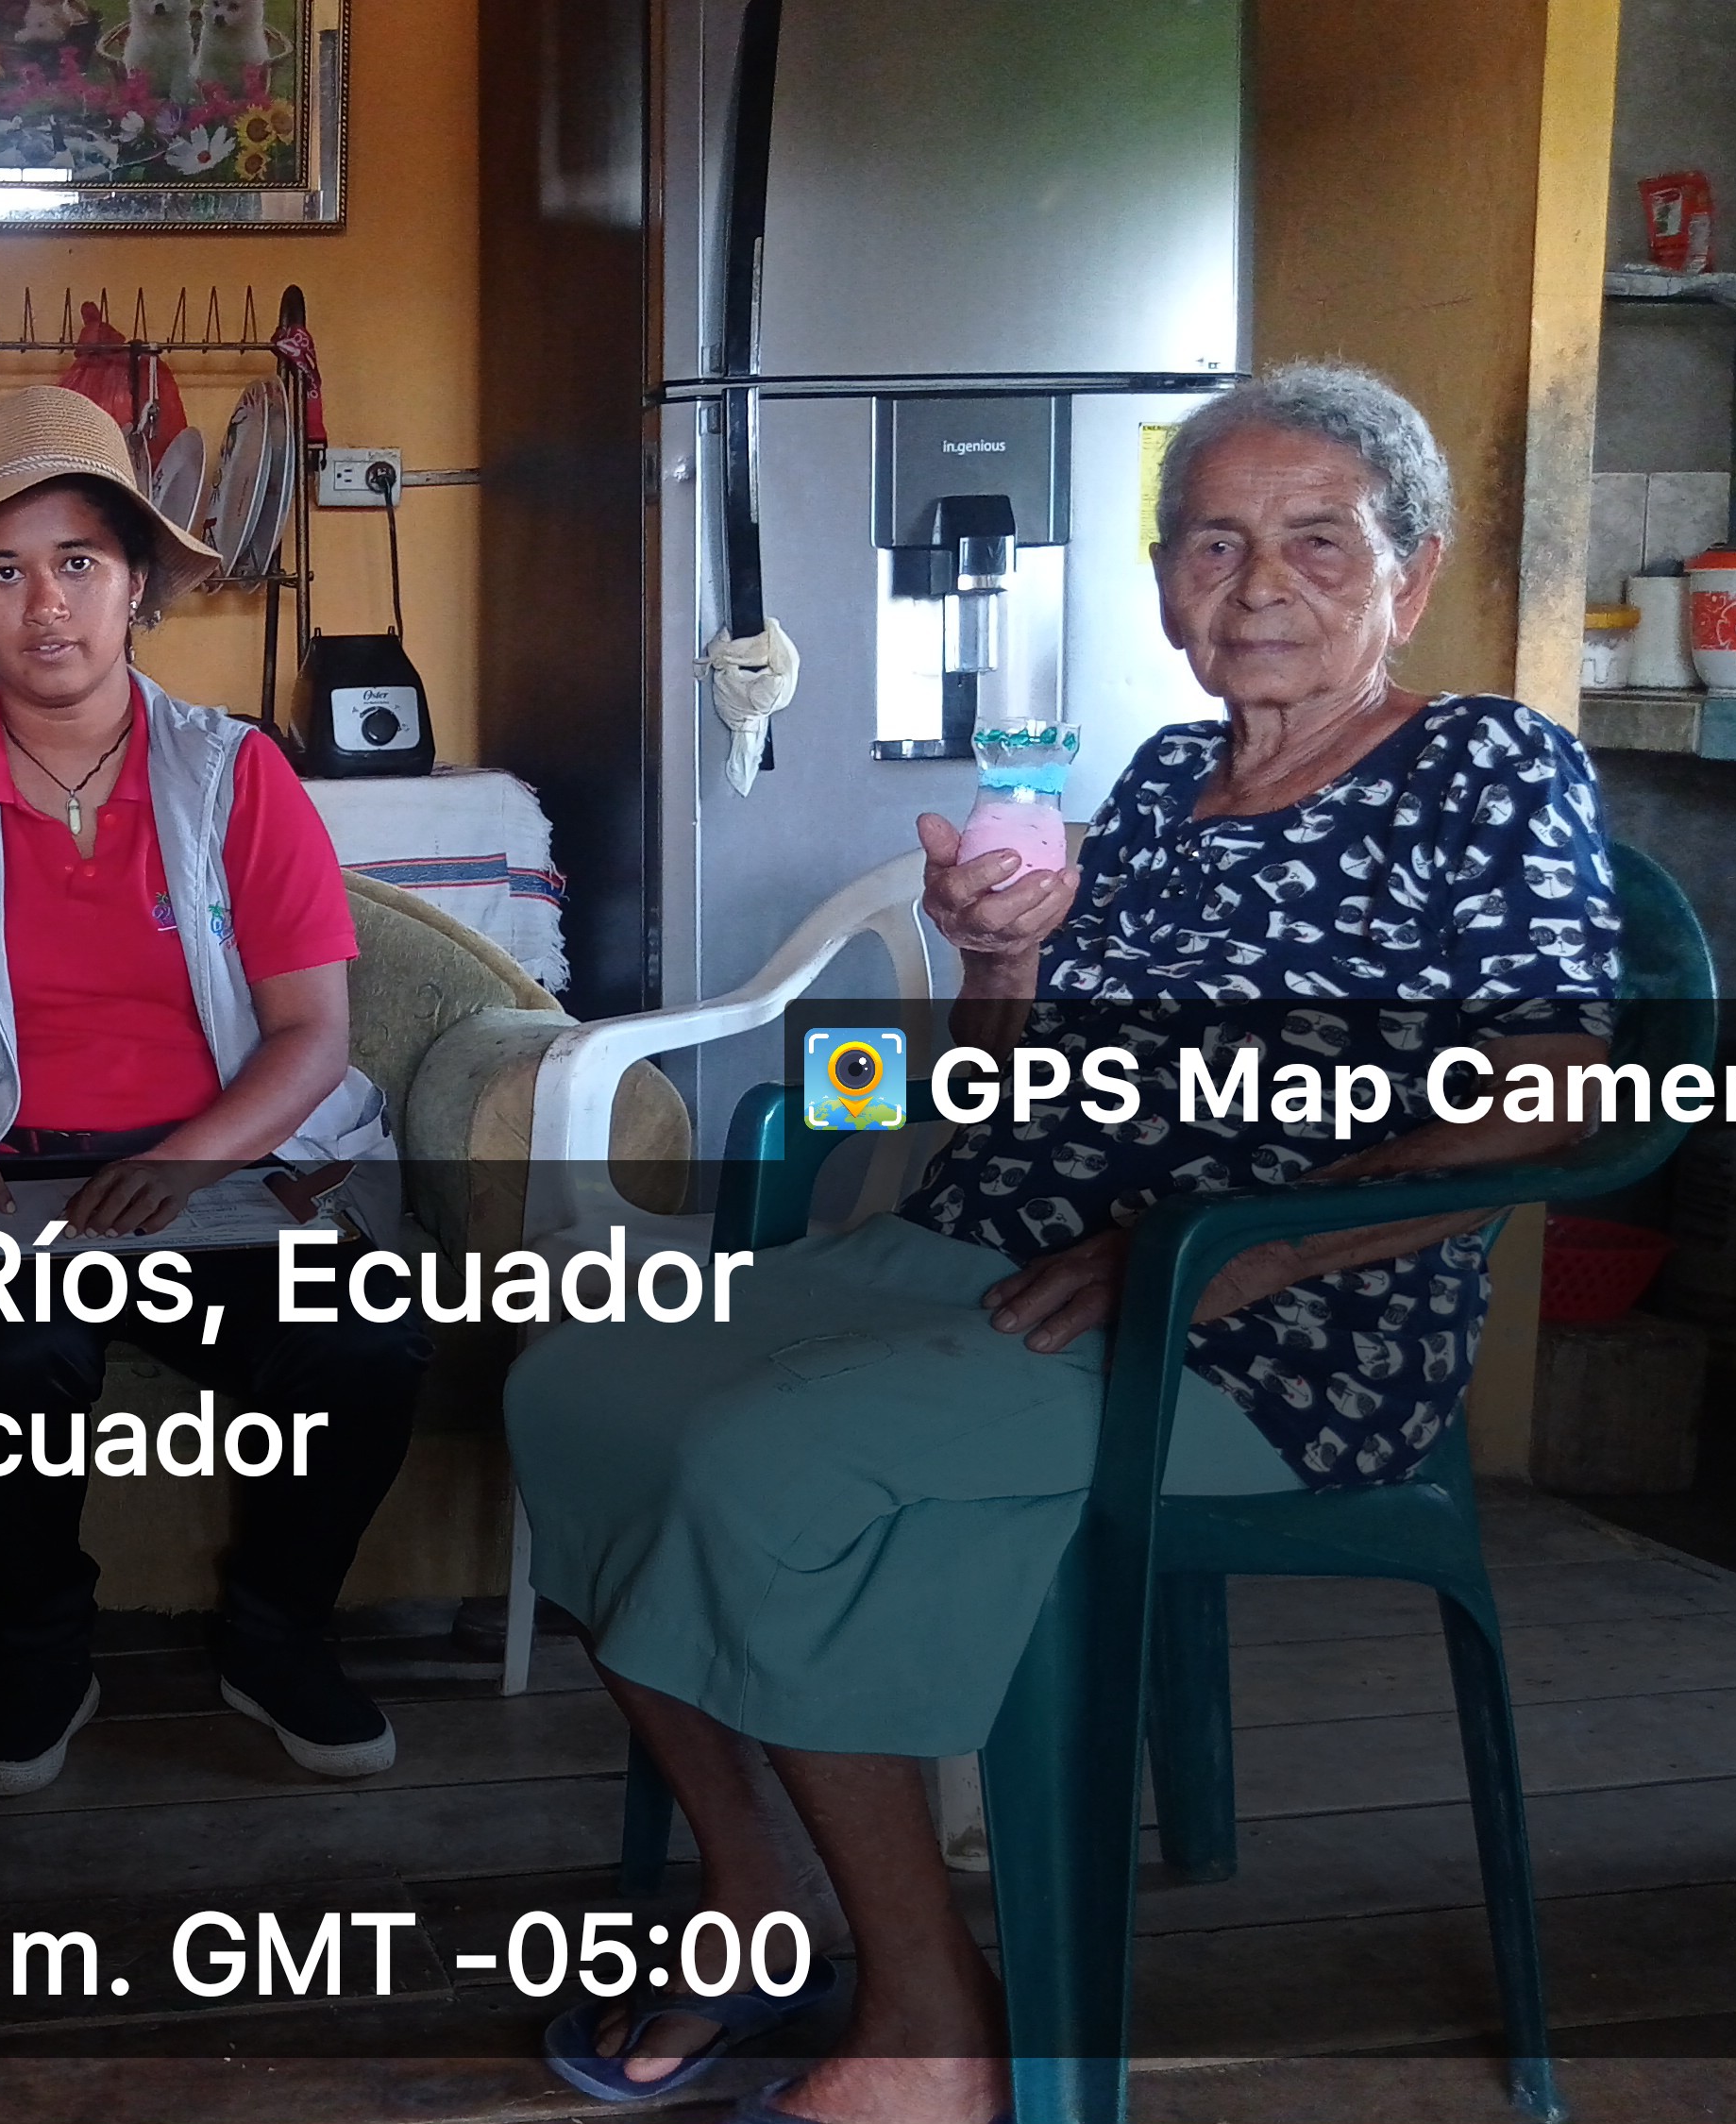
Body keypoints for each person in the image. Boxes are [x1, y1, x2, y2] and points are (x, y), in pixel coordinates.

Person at [508, 362, 1625, 2124]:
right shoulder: (1166, 778)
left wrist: (1234, 1251)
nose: (1259, 583)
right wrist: (1003, 957)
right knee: (579, 1378)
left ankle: (932, 2015)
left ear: (1410, 577)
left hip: (1272, 1332)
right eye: (1214, 543)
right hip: (992, 1255)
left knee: (771, 1460)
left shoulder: (1485, 763)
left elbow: (1558, 1092)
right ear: (1166, 586)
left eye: (1319, 542)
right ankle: (758, 1894)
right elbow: (1008, 1093)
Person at [0, 385, 431, 1796]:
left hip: (229, 1169)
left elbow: (313, 1033)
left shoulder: (239, 774)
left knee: (366, 1341)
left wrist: (188, 1163)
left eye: (78, 562)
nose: (46, 604)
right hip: (10, 1177)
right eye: (5, 571)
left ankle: (277, 1635)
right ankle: (39, 1646)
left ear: (136, 586)